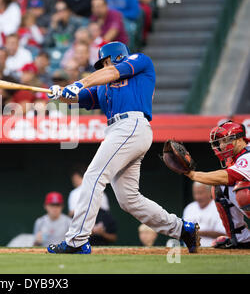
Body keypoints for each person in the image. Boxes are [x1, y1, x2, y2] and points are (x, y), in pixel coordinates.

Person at [46, 41, 200, 254]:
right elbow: (76, 97)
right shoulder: (103, 87)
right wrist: (61, 93)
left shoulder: (139, 62)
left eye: (105, 61)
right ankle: (183, 229)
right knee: (129, 200)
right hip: (119, 131)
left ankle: (77, 240)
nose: (103, 66)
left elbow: (111, 73)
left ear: (115, 57)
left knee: (93, 176)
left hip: (132, 125)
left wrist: (79, 83)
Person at [185, 121, 250, 249]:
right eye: (219, 142)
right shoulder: (236, 156)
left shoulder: (247, 155)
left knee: (244, 192)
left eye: (224, 141)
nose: (221, 145)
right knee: (220, 188)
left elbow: (228, 176)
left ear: (238, 140)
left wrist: (192, 174)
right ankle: (241, 238)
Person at [183, 182, 226, 247]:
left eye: (200, 193)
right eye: (195, 193)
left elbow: (223, 234)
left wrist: (197, 232)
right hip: (190, 250)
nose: (197, 197)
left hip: (212, 249)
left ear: (210, 193)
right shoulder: (189, 208)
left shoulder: (218, 207)